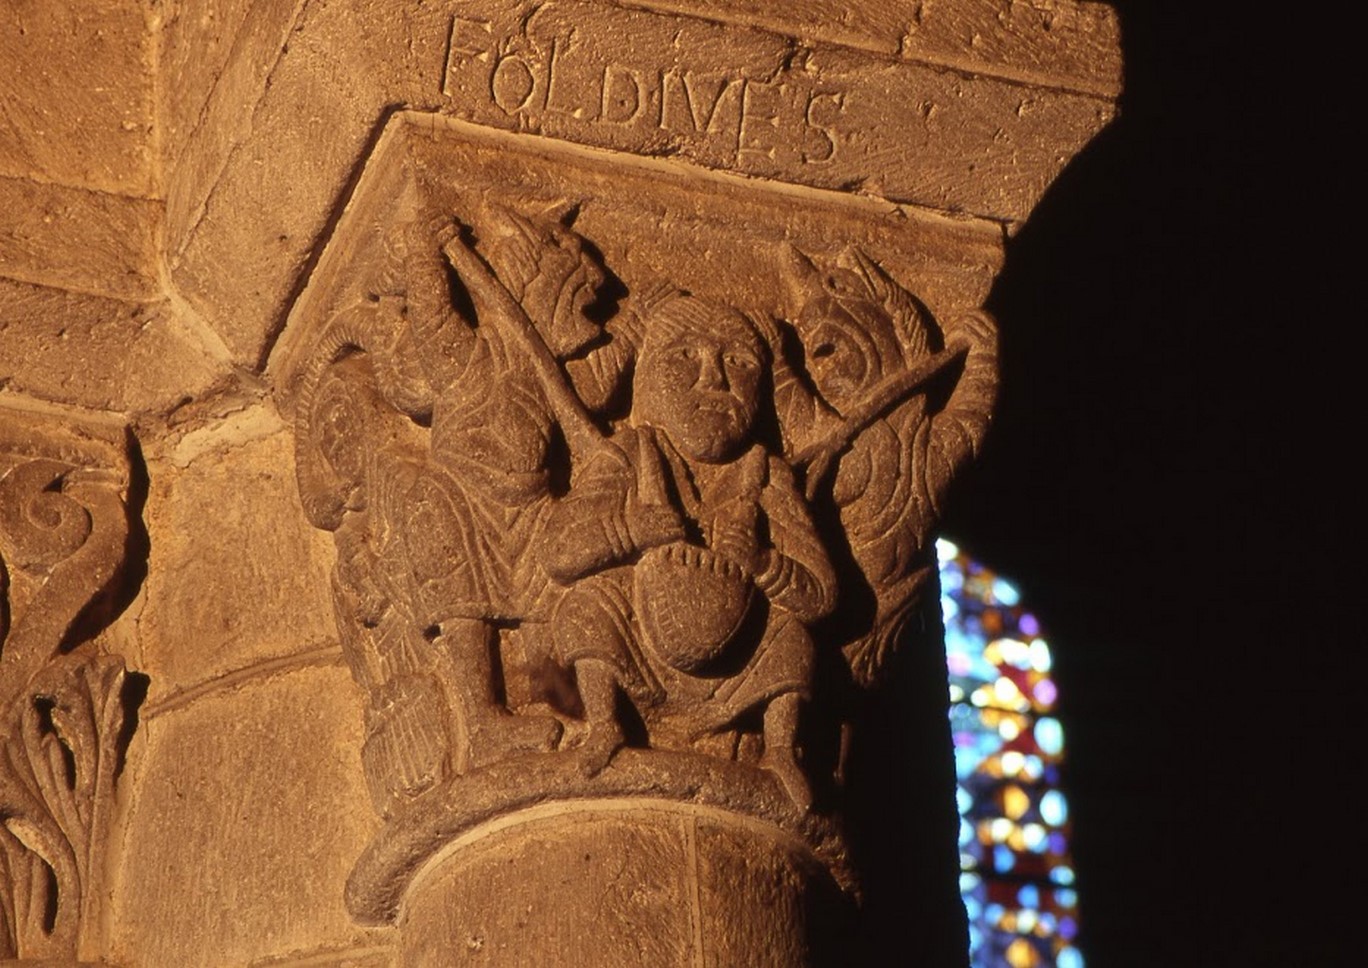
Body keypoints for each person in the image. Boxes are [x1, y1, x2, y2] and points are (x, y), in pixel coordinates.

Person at [539, 294, 837, 809]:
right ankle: (605, 724)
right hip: (640, 653)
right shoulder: (632, 453)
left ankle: (783, 749)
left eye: (738, 363)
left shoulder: (767, 474)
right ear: (648, 377)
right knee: (588, 603)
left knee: (792, 636)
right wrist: (628, 532)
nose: (714, 380)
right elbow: (559, 552)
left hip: (740, 665)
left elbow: (822, 595)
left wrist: (765, 564)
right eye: (685, 357)